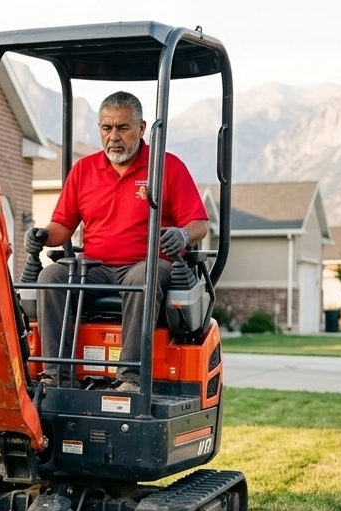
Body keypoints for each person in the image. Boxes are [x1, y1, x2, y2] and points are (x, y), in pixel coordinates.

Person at [26, 91, 209, 392]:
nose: (113, 136)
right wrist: (43, 235)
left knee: (143, 276)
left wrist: (183, 234)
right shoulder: (84, 170)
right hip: (95, 266)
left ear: (141, 128)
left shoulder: (167, 167)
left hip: (147, 264)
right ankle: (57, 376)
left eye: (122, 128)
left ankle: (130, 378)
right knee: (51, 275)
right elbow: (62, 225)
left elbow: (199, 223)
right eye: (106, 128)